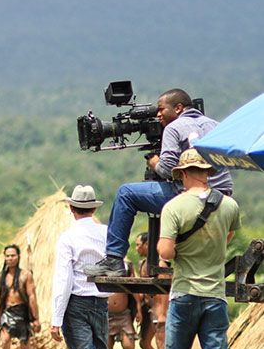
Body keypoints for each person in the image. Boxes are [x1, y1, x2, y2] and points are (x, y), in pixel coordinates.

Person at [86, 89, 233, 277]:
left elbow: (166, 169)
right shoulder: (215, 125)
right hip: (221, 197)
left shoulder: (174, 128)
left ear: (178, 108)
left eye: (161, 109)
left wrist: (154, 163)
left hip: (190, 198)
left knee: (126, 193)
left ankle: (114, 259)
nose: (158, 114)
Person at [152, 149, 240, 349]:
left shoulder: (174, 207)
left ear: (184, 173)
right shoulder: (229, 206)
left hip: (185, 294)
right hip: (215, 296)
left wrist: (172, 247)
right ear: (207, 172)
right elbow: (227, 240)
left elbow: (165, 252)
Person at [50, 186, 120, 349]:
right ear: (93, 208)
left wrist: (56, 319)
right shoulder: (107, 232)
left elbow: (63, 279)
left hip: (76, 304)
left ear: (72, 209)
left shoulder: (67, 237)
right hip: (101, 302)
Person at [0, 244, 40, 349]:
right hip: (7, 312)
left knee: (25, 346)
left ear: (18, 256)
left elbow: (32, 297)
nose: (10, 258)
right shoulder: (1, 277)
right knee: (4, 343)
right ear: (4, 257)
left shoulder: (25, 275)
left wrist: (35, 319)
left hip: (22, 312)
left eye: (13, 255)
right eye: (8, 256)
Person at [136, 232, 167, 349]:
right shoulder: (143, 263)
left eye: (138, 245)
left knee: (162, 345)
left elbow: (166, 289)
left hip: (159, 309)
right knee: (144, 342)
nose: (136, 248)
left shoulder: (160, 264)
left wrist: (163, 314)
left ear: (147, 244)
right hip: (149, 309)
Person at [106, 259, 140, 349]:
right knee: (106, 348)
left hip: (124, 314)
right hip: (107, 315)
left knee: (129, 346)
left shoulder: (127, 265)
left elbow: (134, 287)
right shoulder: (102, 263)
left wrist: (138, 308)